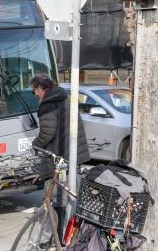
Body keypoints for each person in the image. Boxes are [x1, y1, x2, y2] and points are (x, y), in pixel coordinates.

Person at [29, 75, 90, 237]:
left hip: (59, 156)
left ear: (41, 88)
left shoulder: (47, 105)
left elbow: (47, 133)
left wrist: (35, 144)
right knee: (69, 196)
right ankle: (67, 235)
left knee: (52, 197)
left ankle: (52, 237)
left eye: (34, 91)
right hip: (74, 154)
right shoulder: (64, 97)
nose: (34, 95)